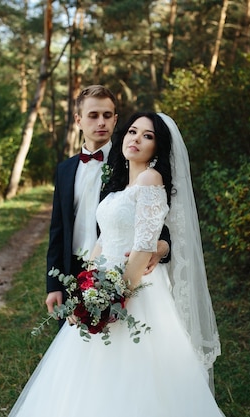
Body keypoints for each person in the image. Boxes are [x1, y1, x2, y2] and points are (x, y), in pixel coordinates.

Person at [9, 112, 223, 416]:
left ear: (157, 147)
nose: (136, 139)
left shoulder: (151, 179)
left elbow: (142, 249)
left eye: (147, 136)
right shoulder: (121, 185)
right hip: (100, 285)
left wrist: (113, 298)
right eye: (133, 132)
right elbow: (102, 241)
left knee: (137, 372)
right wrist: (81, 291)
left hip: (134, 292)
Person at [45, 85, 170, 321]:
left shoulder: (131, 163)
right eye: (93, 116)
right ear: (78, 120)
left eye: (107, 115)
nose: (101, 122)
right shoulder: (65, 170)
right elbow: (57, 229)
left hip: (121, 268)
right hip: (74, 269)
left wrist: (162, 246)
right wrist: (54, 284)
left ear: (115, 120)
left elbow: (156, 219)